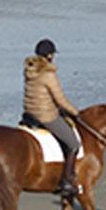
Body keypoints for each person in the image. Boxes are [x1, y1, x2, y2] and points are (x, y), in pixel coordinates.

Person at [23, 38, 83, 198]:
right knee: (73, 144)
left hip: (30, 113)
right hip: (46, 116)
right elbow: (60, 100)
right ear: (49, 56)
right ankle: (67, 181)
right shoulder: (49, 75)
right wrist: (76, 113)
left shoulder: (30, 70)